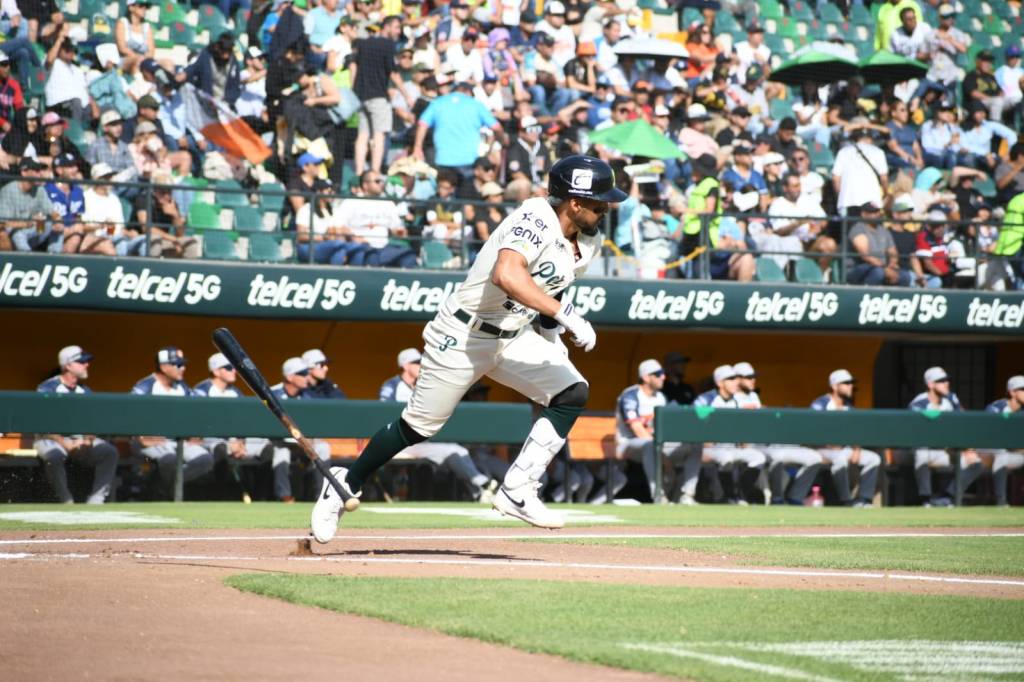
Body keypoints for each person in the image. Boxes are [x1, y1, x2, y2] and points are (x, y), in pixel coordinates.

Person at [310, 155, 625, 542]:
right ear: (574, 203)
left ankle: (518, 489)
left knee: (572, 391)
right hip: (464, 334)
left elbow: (552, 283)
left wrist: (550, 335)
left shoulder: (588, 239)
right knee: (418, 427)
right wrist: (567, 316)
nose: (607, 209)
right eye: (599, 203)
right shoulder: (534, 217)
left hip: (513, 334)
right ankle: (345, 482)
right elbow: (507, 274)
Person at [379, 348, 498, 503]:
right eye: (417, 363)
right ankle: (482, 483)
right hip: (401, 441)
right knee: (454, 449)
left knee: (456, 449)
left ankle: (480, 492)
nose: (421, 366)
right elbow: (384, 415)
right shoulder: (392, 385)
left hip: (423, 440)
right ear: (405, 365)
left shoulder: (424, 385)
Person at [34, 345, 119, 504]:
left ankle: (96, 501)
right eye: (81, 361)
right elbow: (42, 424)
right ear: (67, 365)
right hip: (51, 439)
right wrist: (65, 443)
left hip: (79, 441)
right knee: (54, 455)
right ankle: (65, 500)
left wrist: (87, 441)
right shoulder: (47, 388)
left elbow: (93, 422)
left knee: (109, 452)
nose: (86, 365)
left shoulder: (85, 391)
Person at [613, 359, 702, 505]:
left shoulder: (660, 397)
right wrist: (664, 457)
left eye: (663, 373)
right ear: (646, 377)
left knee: (695, 446)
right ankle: (658, 495)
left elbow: (668, 428)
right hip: (627, 444)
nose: (663, 377)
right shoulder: (630, 395)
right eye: (658, 374)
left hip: (655, 445)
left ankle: (686, 494)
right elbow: (636, 428)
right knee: (650, 445)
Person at [130, 347, 215, 497]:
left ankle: (163, 488)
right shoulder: (145, 387)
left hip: (177, 441)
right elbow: (131, 415)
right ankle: (167, 492)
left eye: (183, 364)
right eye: (178, 364)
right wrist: (141, 436)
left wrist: (195, 434)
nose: (183, 368)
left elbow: (197, 414)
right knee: (169, 460)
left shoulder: (182, 387)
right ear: (163, 367)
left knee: (205, 459)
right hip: (150, 440)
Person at [734, 362, 822, 506]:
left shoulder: (754, 396)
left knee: (815, 458)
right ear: (738, 378)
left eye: (754, 377)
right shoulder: (733, 399)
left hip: (769, 442)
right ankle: (777, 498)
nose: (753, 380)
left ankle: (795, 497)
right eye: (749, 377)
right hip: (751, 445)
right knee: (777, 457)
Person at [909, 367, 984, 507]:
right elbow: (919, 433)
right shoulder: (919, 403)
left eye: (947, 380)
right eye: (941, 381)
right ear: (930, 384)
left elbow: (963, 423)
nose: (946, 383)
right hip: (927, 448)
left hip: (946, 450)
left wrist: (968, 448)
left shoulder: (951, 399)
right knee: (921, 455)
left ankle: (947, 497)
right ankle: (925, 499)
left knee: (975, 462)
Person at [693, 365, 767, 504]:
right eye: (731, 379)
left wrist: (744, 444)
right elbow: (697, 424)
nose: (736, 382)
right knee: (726, 458)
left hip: (732, 446)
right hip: (711, 447)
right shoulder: (706, 399)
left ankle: (741, 493)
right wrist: (703, 446)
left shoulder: (738, 400)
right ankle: (729, 495)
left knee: (758, 457)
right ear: (720, 382)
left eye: (736, 379)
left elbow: (741, 427)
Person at [350, 15, 413, 176]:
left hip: (361, 96)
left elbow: (353, 66)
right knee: (379, 136)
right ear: (387, 27)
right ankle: (375, 172)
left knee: (362, 135)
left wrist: (353, 89)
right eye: (397, 27)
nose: (398, 31)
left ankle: (358, 172)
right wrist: (406, 96)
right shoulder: (388, 45)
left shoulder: (364, 43)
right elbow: (393, 72)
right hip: (378, 96)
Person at [810, 369, 882, 507]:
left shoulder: (848, 407)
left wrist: (856, 447)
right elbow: (812, 431)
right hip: (821, 449)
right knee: (840, 459)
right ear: (834, 386)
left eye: (851, 383)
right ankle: (846, 500)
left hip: (843, 449)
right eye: (846, 383)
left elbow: (856, 431)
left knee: (873, 458)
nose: (850, 386)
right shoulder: (820, 404)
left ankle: (864, 499)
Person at [413, 80, 506, 183]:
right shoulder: (475, 104)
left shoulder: (438, 102)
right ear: (468, 92)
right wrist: (502, 141)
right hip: (469, 159)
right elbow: (496, 127)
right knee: (465, 194)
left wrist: (417, 147)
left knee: (444, 192)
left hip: (443, 159)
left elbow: (422, 124)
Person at [269, 357, 332, 502]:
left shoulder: (308, 395)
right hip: (276, 441)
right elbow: (264, 425)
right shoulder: (272, 393)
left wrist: (310, 438)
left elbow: (315, 424)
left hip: (302, 442)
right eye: (303, 373)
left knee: (323, 447)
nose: (307, 377)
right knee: (281, 452)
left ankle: (322, 496)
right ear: (290, 377)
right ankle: (285, 496)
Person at [334, 170, 418, 268]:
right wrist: (353, 236)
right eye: (377, 181)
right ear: (365, 185)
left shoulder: (388, 203)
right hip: (363, 247)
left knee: (408, 256)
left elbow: (396, 228)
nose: (381, 184)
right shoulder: (351, 202)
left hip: (385, 248)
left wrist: (400, 232)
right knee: (372, 257)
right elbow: (337, 226)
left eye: (381, 181)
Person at [846, 202, 913, 286]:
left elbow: (893, 252)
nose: (876, 214)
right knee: (878, 273)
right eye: (872, 212)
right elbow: (866, 256)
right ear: (863, 214)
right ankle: (865, 295)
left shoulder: (883, 230)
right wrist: (885, 269)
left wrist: (891, 265)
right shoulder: (858, 228)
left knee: (905, 276)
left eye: (877, 211)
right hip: (859, 268)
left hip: (882, 267)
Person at [1, 158, 56, 252]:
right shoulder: (8, 191)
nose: (40, 174)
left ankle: (55, 257)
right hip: (13, 232)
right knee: (15, 234)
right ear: (24, 172)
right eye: (36, 171)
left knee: (51, 224)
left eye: (40, 171)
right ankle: (28, 260)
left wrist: (58, 221)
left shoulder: (40, 190)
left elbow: (52, 212)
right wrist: (26, 223)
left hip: (32, 231)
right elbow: (3, 224)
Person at [984, 376, 1024, 507]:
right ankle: (1001, 502)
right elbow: (988, 436)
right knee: (1001, 455)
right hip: (999, 453)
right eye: (1023, 389)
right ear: (1012, 392)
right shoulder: (996, 408)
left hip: (1020, 455)